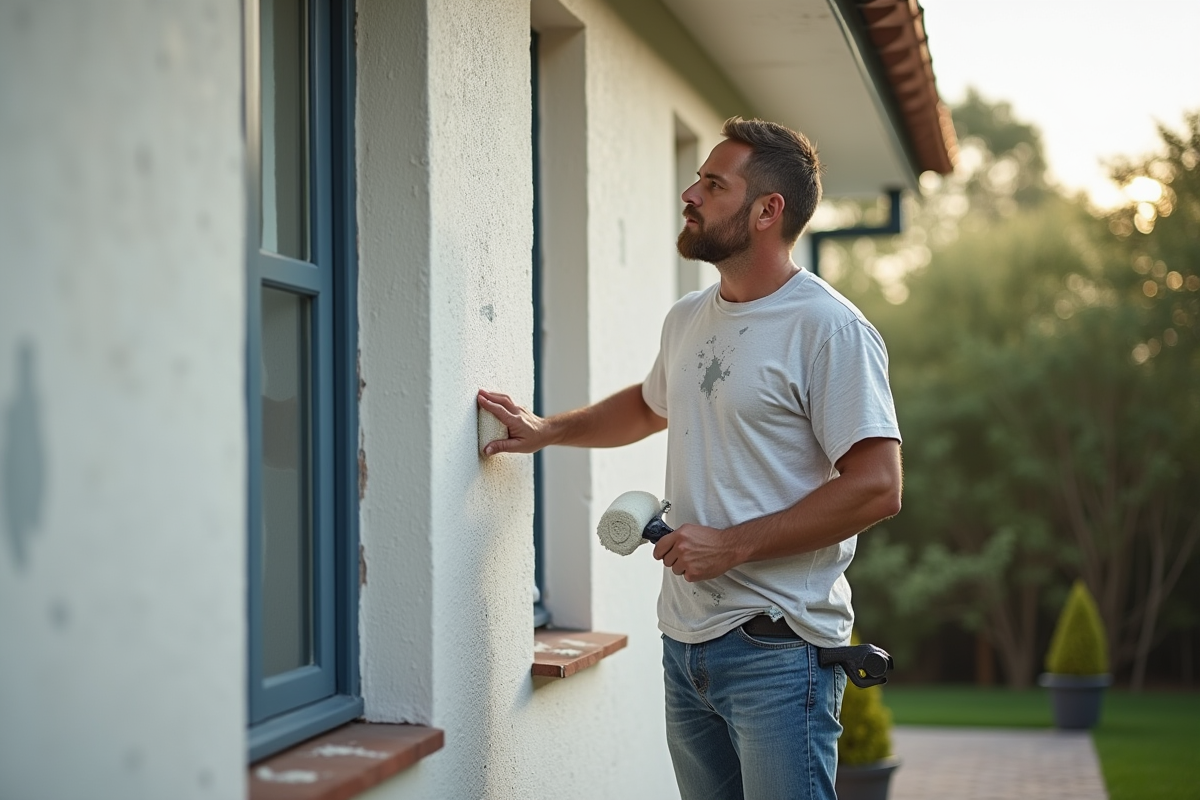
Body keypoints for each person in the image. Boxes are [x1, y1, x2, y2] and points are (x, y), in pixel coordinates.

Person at [478, 117, 902, 800]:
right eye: (697, 178)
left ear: (769, 211)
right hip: (685, 645)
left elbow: (878, 488)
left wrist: (731, 547)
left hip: (780, 653)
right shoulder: (689, 317)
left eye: (712, 183)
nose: (690, 193)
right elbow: (650, 406)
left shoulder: (829, 329)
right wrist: (547, 429)